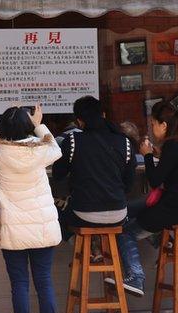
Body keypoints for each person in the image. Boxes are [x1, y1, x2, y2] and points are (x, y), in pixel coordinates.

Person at [0, 105, 63, 313]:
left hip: (13, 229)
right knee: (44, 281)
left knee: (19, 283)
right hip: (42, 227)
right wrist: (38, 123)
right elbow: (56, 148)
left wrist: (4, 121)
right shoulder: (42, 150)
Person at [110, 101, 178, 295]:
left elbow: (155, 180)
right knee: (125, 211)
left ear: (164, 125)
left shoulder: (172, 145)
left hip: (174, 208)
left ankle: (135, 277)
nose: (152, 129)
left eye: (153, 124)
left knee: (123, 231)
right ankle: (162, 238)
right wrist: (158, 154)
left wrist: (146, 155)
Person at [52, 96, 139, 293]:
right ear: (104, 115)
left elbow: (58, 174)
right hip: (118, 214)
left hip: (85, 214)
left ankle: (88, 248)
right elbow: (129, 183)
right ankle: (94, 248)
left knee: (52, 210)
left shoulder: (73, 141)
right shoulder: (124, 142)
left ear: (79, 121)